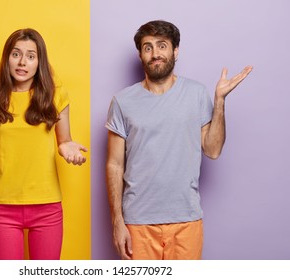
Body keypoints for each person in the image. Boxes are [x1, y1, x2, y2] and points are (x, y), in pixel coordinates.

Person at [105, 20, 252, 260]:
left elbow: (213, 150)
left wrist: (220, 101)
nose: (155, 54)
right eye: (148, 47)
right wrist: (117, 223)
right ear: (140, 54)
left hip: (186, 219)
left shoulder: (196, 94)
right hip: (138, 223)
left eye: (162, 46)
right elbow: (114, 164)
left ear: (175, 51)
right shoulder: (123, 101)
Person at [0, 28, 87, 260]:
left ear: (39, 62)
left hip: (47, 207)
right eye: (16, 54)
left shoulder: (55, 96)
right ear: (7, 58)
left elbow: (64, 141)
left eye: (31, 56)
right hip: (2, 210)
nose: (22, 62)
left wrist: (68, 147)